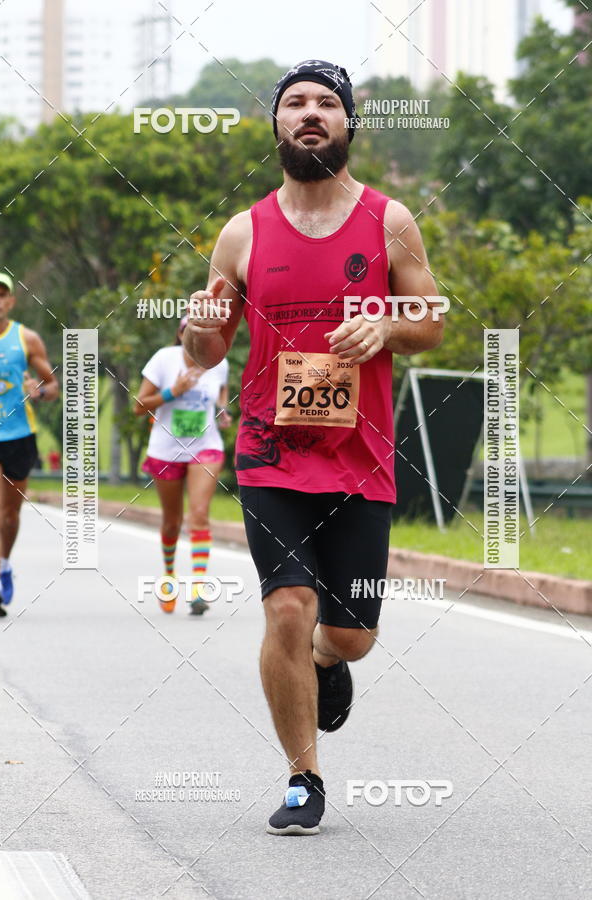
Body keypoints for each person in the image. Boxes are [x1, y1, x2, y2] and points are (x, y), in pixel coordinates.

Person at [184, 59, 445, 834]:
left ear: (347, 123)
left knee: (353, 636)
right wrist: (198, 330)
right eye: (294, 101)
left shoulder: (390, 220)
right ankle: (304, 777)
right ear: (276, 124)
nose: (309, 112)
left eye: (326, 102)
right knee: (289, 606)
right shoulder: (243, 231)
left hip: (360, 456)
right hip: (269, 453)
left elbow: (432, 318)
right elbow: (205, 350)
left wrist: (387, 325)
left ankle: (328, 663)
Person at [133, 316, 232, 615]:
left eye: (202, 332)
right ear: (180, 335)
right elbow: (139, 406)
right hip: (166, 451)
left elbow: (222, 391)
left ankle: (198, 588)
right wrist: (172, 392)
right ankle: (169, 576)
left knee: (199, 515)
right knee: (172, 522)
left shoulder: (219, 363)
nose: (195, 337)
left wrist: (222, 410)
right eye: (188, 331)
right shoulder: (164, 359)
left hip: (205, 447)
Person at [0, 271, 59, 617]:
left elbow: (52, 386)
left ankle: (3, 563)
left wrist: (40, 392)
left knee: (10, 515)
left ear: (11, 302)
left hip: (19, 435)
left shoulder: (26, 338)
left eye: (1, 295)